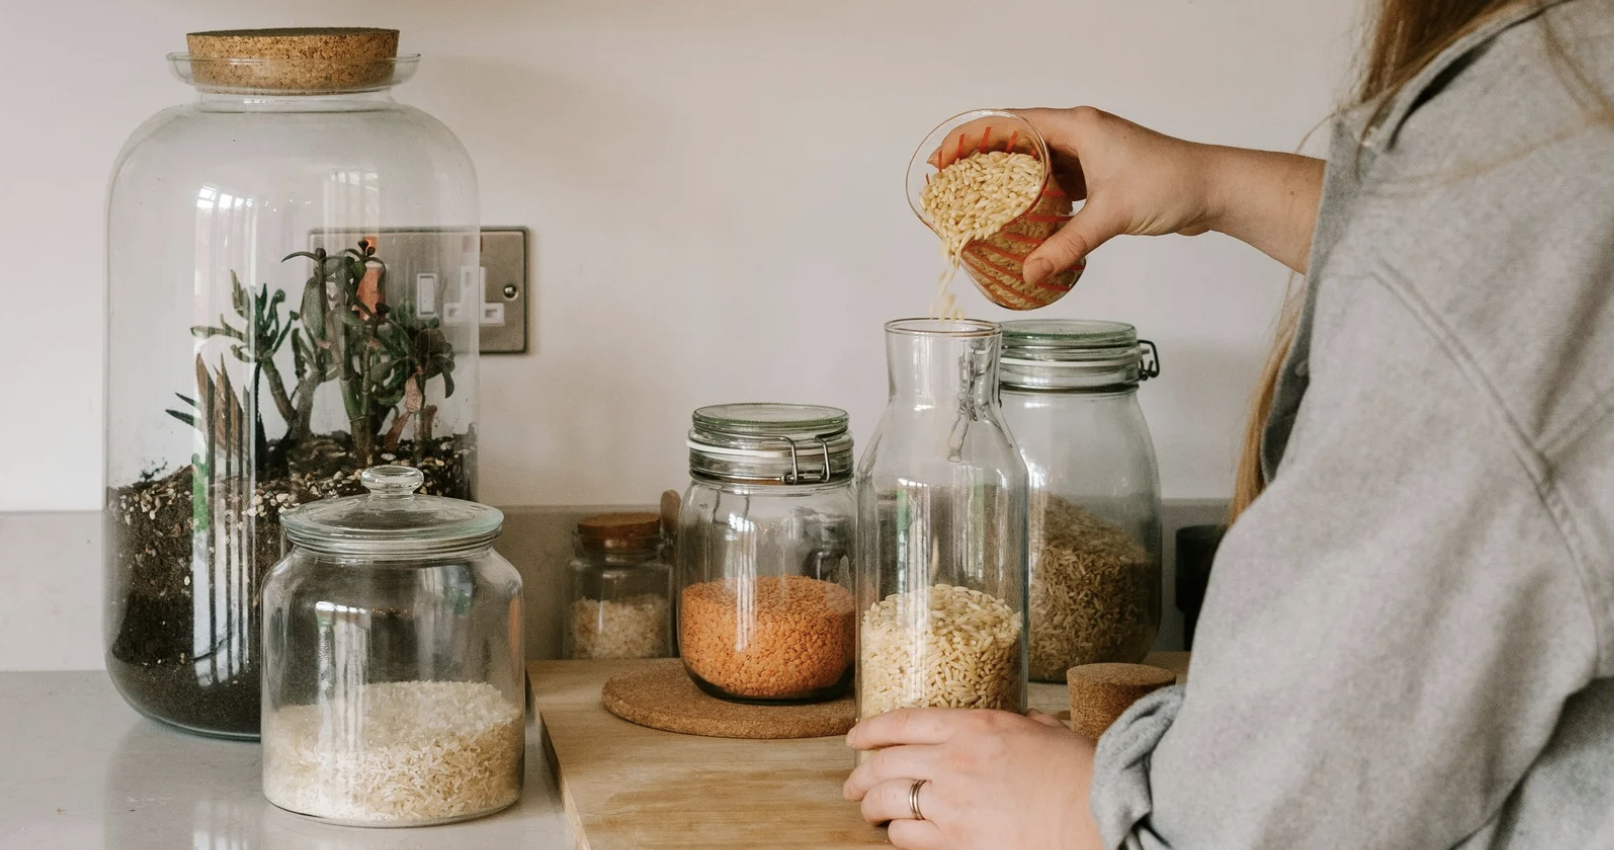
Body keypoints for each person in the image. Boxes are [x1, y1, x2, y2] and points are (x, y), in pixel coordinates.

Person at [842, 0, 1614, 847]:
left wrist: (1087, 812)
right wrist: (1212, 184)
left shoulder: (1554, 105)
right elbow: (1463, 256)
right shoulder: (1564, 87)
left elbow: (1309, 776)